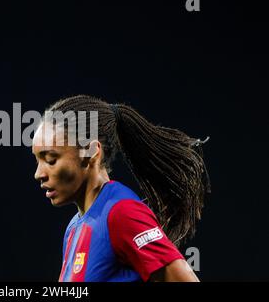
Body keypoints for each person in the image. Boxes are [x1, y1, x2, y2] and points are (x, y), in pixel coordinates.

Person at [31, 95, 211, 282]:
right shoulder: (73, 228)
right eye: (37, 160)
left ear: (92, 152)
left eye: (51, 159)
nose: (39, 173)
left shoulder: (121, 212)